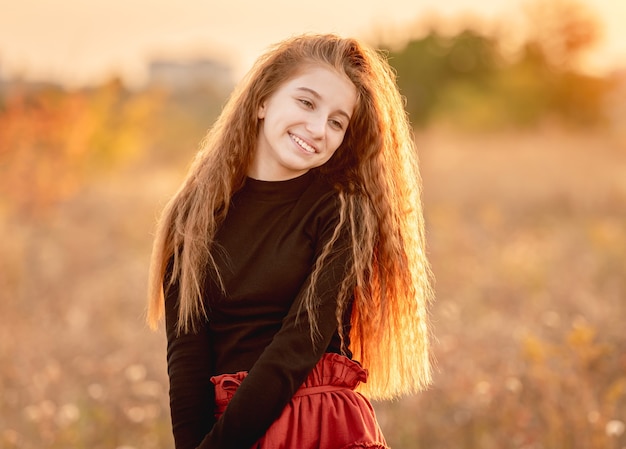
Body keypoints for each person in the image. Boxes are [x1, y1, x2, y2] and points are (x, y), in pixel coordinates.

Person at [146, 33, 433, 449]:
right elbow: (186, 357)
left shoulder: (342, 210)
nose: (318, 129)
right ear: (262, 101)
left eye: (337, 122)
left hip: (317, 423)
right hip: (227, 429)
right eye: (306, 103)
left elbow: (300, 343)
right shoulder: (192, 215)